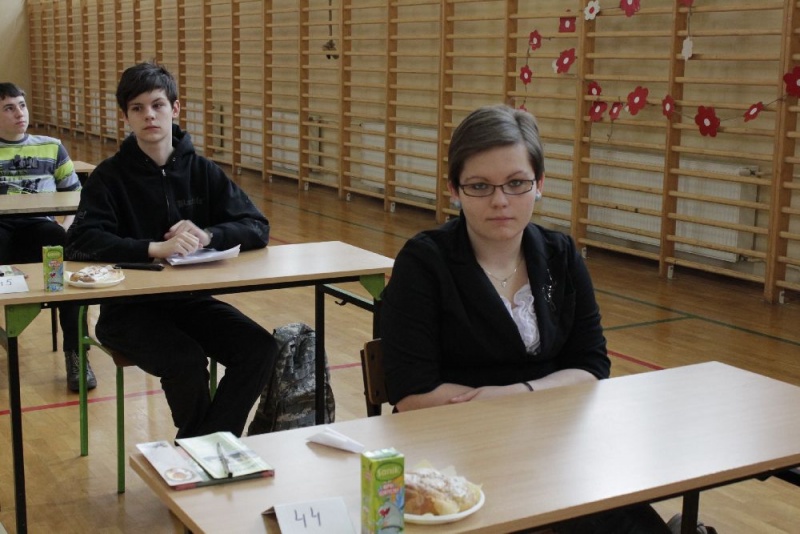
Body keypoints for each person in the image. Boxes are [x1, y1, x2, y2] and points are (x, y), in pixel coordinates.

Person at [380, 105, 715, 534]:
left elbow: (591, 365)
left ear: (539, 184)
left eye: (517, 183)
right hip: (455, 461)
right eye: (480, 186)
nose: (500, 200)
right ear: (454, 190)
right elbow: (411, 393)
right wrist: (509, 408)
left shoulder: (560, 256)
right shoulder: (425, 263)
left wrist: (516, 394)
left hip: (558, 451)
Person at [66, 61, 277, 439]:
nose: (149, 115)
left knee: (259, 348)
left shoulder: (203, 171)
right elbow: (80, 242)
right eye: (137, 108)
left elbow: (257, 226)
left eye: (157, 105)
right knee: (186, 360)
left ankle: (205, 445)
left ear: (175, 108)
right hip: (127, 311)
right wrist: (153, 248)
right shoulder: (109, 177)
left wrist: (209, 235)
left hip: (189, 302)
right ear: (126, 117)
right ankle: (207, 451)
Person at [0, 82, 97, 393]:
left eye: (22, 105)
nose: (19, 113)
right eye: (9, 108)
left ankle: (76, 353)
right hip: (2, 230)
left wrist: (66, 227)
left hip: (38, 229)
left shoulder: (52, 147)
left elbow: (76, 198)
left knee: (67, 267)